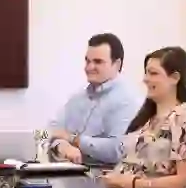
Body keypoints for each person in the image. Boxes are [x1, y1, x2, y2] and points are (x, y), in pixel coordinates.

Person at [102, 46, 186, 188]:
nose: (145, 79)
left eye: (153, 73)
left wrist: (134, 184)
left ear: (175, 78)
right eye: (146, 73)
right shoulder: (147, 117)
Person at [47, 33, 142, 165]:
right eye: (87, 61)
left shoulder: (127, 100)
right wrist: (61, 145)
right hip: (70, 173)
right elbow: (53, 131)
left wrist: (74, 140)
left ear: (117, 64)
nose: (89, 67)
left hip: (107, 176)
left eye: (98, 62)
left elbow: (118, 149)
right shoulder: (78, 98)